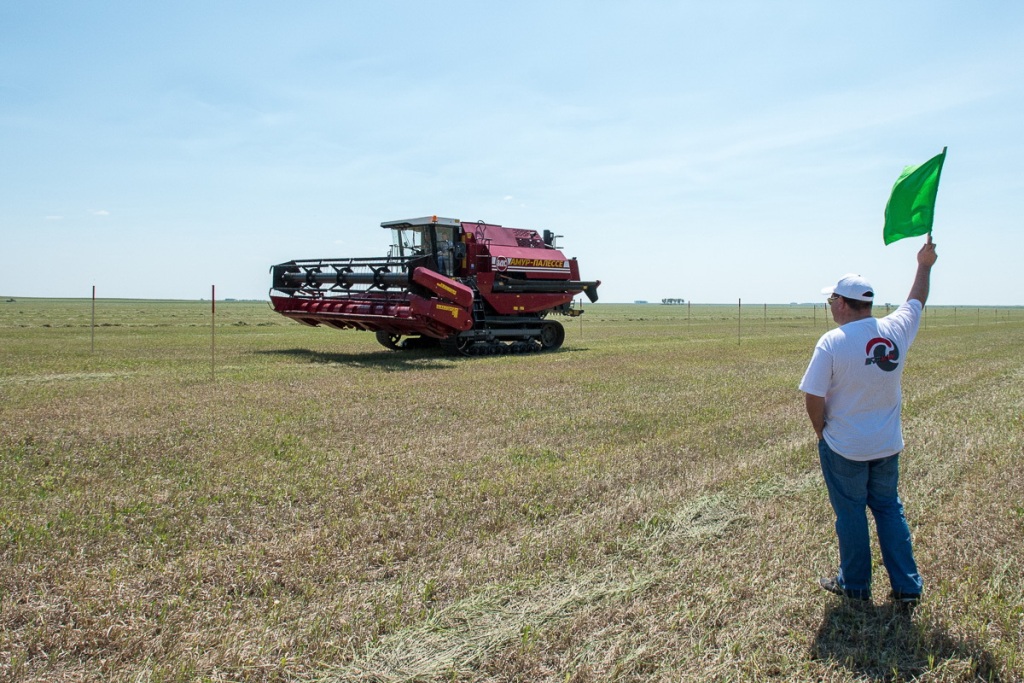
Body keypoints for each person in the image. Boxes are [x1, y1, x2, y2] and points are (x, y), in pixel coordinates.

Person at [799, 237, 938, 607]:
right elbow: (916, 300)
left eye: (832, 300)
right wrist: (924, 264)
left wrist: (822, 432)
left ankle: (856, 586)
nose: (831, 307)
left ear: (843, 304)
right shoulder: (896, 330)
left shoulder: (832, 342)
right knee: (889, 508)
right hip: (887, 444)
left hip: (845, 446)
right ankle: (908, 587)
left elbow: (813, 396)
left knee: (850, 514)